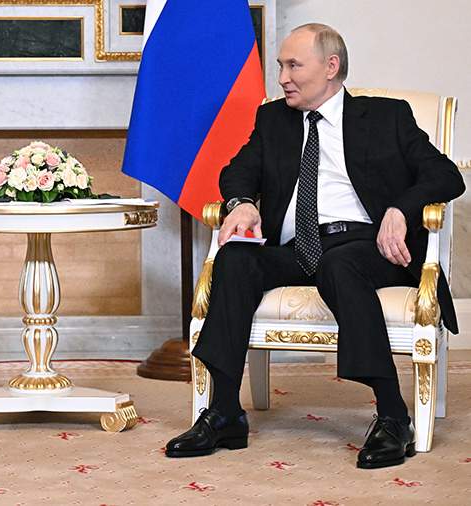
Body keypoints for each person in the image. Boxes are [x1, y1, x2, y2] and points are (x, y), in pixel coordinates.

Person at [165, 23, 464, 469]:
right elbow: (238, 171)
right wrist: (241, 203)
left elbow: (446, 175)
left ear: (330, 66)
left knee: (339, 265)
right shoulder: (273, 119)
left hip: (366, 245)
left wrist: (400, 210)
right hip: (297, 247)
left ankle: (393, 416)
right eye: (280, 66)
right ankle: (225, 412)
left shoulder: (386, 116)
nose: (282, 78)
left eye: (293, 66)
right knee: (235, 258)